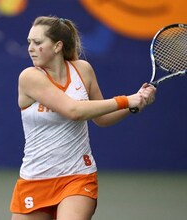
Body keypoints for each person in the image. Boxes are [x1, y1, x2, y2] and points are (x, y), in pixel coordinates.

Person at [10, 16, 156, 220]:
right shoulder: (29, 77)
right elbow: (74, 111)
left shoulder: (83, 70)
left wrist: (135, 104)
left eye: (38, 42)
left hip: (78, 176)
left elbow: (102, 118)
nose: (30, 48)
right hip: (35, 179)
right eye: (29, 42)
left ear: (57, 46)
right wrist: (126, 100)